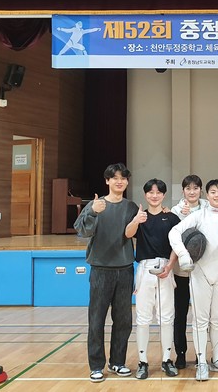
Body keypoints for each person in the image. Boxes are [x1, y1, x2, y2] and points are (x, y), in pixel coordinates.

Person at [74, 163, 138, 383]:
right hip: (101, 269)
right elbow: (82, 231)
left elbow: (140, 228)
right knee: (97, 320)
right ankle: (96, 366)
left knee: (123, 320)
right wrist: (93, 211)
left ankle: (118, 362)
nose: (119, 181)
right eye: (115, 178)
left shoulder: (130, 207)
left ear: (127, 182)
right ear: (107, 181)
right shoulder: (96, 204)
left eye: (123, 178)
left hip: (125, 269)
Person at [169, 179, 218, 381]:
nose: (217, 195)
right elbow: (174, 232)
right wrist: (183, 254)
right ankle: (201, 362)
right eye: (213, 192)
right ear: (207, 195)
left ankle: (217, 358)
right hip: (200, 273)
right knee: (200, 320)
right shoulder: (198, 215)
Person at [125, 178, 181, 379]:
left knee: (167, 317)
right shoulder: (140, 217)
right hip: (145, 269)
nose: (154, 195)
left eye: (158, 192)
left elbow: (177, 245)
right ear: (145, 194)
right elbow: (128, 234)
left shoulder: (172, 218)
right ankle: (143, 362)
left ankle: (167, 360)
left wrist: (170, 266)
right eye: (151, 192)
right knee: (143, 318)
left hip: (166, 267)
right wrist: (136, 220)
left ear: (163, 195)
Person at [169, 174, 209, 369]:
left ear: (201, 190)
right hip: (181, 272)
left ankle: (204, 355)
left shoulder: (209, 208)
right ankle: (181, 353)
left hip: (203, 271)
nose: (192, 192)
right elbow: (174, 238)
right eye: (188, 188)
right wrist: (182, 217)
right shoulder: (175, 211)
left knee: (204, 315)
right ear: (183, 191)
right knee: (180, 314)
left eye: (195, 188)